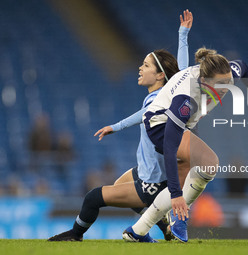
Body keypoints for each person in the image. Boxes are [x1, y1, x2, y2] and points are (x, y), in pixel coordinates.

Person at [48, 10, 193, 242]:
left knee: (93, 197)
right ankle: (163, 228)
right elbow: (150, 106)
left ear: (159, 75)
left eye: (145, 65)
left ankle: (76, 235)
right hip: (152, 172)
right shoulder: (160, 98)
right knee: (119, 184)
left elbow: (182, 73)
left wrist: (183, 35)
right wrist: (115, 127)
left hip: (153, 182)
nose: (140, 68)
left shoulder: (161, 99)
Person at [122, 47, 248, 243]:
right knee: (209, 162)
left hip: (183, 125)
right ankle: (179, 217)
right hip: (160, 126)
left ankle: (137, 231)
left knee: (192, 176)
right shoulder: (186, 98)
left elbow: (243, 67)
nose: (226, 87)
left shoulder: (224, 75)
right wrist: (177, 196)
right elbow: (169, 146)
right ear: (204, 81)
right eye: (221, 84)